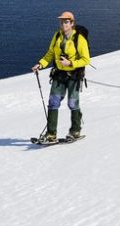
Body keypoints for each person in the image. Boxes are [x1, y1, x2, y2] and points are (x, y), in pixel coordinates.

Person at [31, 11, 90, 143]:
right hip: (59, 74)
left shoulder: (79, 39)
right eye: (62, 21)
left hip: (74, 75)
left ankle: (75, 131)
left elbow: (86, 60)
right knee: (53, 102)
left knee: (72, 103)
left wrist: (71, 63)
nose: (63, 24)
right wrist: (40, 64)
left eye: (66, 21)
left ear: (72, 23)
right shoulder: (57, 36)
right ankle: (51, 134)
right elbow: (50, 54)